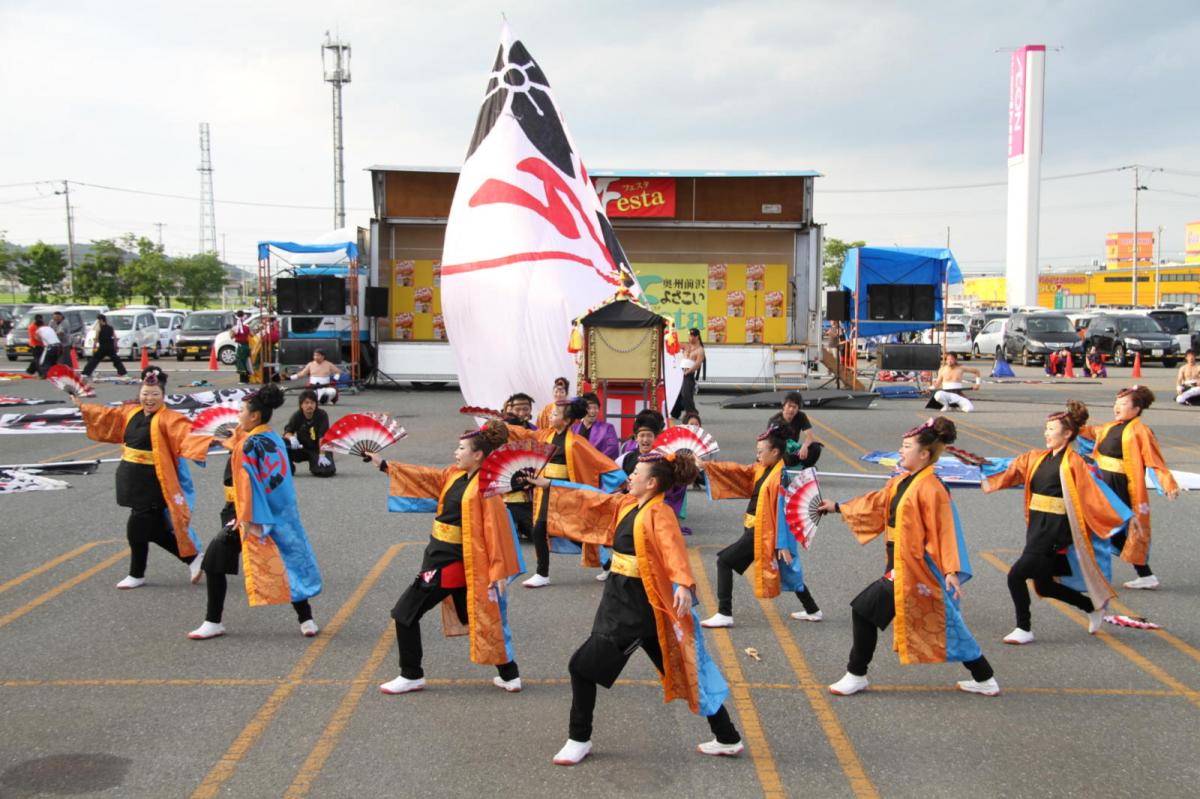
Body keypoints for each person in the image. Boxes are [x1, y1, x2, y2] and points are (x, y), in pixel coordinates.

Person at [524, 452, 743, 764]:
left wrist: (683, 583)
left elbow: (673, 549)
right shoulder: (629, 504)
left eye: (637, 472)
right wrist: (551, 485)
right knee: (686, 668)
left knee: (581, 667)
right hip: (625, 599)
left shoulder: (660, 513)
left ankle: (579, 738)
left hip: (635, 608)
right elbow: (592, 499)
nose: (630, 475)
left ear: (651, 483)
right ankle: (727, 736)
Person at [819, 417, 999, 697]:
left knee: (864, 610)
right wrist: (838, 507)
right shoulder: (903, 480)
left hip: (915, 568)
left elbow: (945, 530)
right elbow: (877, 504)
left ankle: (856, 673)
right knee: (948, 623)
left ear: (924, 454)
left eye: (906, 447)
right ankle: (984, 677)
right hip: (901, 563)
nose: (900, 451)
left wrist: (951, 569)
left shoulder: (932, 488)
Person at [367, 421, 523, 695]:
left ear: (478, 455)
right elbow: (427, 477)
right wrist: (384, 465)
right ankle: (510, 675)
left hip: (450, 562)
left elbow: (497, 533)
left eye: (461, 448)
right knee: (476, 617)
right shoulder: (454, 475)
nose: (456, 452)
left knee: (404, 613)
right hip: (442, 555)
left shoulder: (486, 489)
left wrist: (498, 571)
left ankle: (411, 674)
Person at [981, 401, 1133, 644]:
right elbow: (1010, 469)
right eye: (1047, 428)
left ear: (1068, 433)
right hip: (1037, 526)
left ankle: (1024, 628)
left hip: (1055, 530)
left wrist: (1122, 519)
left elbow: (1094, 495)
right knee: (1045, 586)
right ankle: (1092, 607)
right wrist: (980, 465)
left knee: (1016, 575)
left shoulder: (1075, 463)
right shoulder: (1036, 458)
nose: (1046, 433)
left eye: (1051, 429)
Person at [188, 384, 323, 640]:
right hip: (265, 510)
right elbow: (234, 439)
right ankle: (306, 618)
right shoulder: (268, 437)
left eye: (242, 410)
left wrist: (248, 519)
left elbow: (249, 485)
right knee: (286, 557)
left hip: (250, 513)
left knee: (215, 561)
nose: (238, 414)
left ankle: (213, 621)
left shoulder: (251, 444)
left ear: (255, 416)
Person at [72, 367, 209, 589]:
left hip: (154, 481)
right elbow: (107, 415)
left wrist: (215, 439)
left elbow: (188, 435)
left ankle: (152, 569)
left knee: (138, 528)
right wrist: (83, 406)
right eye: (145, 393)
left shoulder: (169, 418)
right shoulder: (130, 412)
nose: (149, 398)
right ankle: (187, 560)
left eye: (155, 394)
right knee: (152, 529)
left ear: (163, 396)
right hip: (132, 477)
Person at [699, 427, 822, 627]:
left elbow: (782, 513)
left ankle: (724, 612)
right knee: (788, 570)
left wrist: (782, 543)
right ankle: (813, 609)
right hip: (757, 528)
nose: (757, 455)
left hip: (763, 530)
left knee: (724, 561)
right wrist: (706, 465)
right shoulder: (763, 468)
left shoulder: (779, 477)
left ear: (774, 452)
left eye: (760, 451)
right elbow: (739, 470)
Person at [507, 397, 626, 587]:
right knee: (541, 529)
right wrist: (505, 428)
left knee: (575, 532)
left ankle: (607, 564)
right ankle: (543, 573)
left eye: (554, 414)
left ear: (566, 420)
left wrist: (620, 477)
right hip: (546, 491)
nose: (550, 416)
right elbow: (526, 434)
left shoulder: (576, 442)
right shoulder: (546, 435)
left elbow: (599, 461)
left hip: (567, 492)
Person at [1079, 386, 1179, 590]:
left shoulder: (1141, 431)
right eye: (1116, 403)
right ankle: (1145, 574)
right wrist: (1072, 422)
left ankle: (1088, 573)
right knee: (1110, 531)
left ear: (1136, 409)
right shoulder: (1110, 426)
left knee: (1102, 527)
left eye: (1123, 403)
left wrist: (1168, 483)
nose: (1117, 407)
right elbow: (1089, 432)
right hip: (1104, 483)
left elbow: (1155, 460)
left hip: (1120, 486)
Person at [501, 392, 537, 542]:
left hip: (530, 486)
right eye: (518, 409)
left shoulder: (535, 431)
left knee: (536, 534)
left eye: (525, 409)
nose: (522, 413)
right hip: (506, 485)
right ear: (509, 409)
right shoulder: (502, 430)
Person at [282, 389, 335, 477]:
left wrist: (322, 455)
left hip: (317, 449)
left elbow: (323, 437)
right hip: (302, 448)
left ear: (316, 404)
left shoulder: (322, 415)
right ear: (301, 405)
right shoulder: (297, 415)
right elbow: (287, 432)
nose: (309, 405)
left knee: (326, 471)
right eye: (306, 403)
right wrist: (292, 438)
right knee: (283, 442)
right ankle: (289, 466)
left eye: (312, 403)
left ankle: (315, 464)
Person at [767, 391, 824, 468]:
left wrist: (804, 446)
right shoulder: (774, 420)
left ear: (798, 409)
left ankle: (806, 467)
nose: (791, 409)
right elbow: (770, 443)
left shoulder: (801, 416)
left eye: (794, 407)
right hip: (781, 451)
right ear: (784, 406)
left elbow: (809, 436)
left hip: (794, 449)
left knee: (816, 448)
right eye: (789, 406)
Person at [670, 328, 705, 420]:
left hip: (688, 373)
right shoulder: (686, 346)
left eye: (692, 336)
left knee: (686, 394)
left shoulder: (700, 350)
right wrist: (672, 335)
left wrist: (688, 372)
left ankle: (692, 413)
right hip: (680, 372)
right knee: (677, 393)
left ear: (697, 337)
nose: (690, 338)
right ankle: (675, 413)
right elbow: (675, 345)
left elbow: (697, 364)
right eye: (689, 335)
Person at [573, 392, 619, 460]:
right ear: (582, 410)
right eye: (588, 408)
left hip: (598, 464)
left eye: (595, 408)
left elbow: (613, 448)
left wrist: (596, 459)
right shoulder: (573, 429)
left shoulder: (607, 428)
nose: (592, 411)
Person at [81, 314, 129, 378]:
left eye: (99, 321)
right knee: (116, 360)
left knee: (94, 360)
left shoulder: (99, 328)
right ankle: (123, 373)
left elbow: (96, 338)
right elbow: (115, 337)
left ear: (101, 320)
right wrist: (116, 346)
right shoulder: (110, 328)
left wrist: (94, 346)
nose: (98, 322)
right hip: (110, 347)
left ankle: (86, 373)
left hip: (102, 347)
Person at [232, 311, 252, 383]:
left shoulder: (235, 328)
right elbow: (252, 335)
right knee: (246, 362)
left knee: (240, 362)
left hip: (240, 347)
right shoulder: (247, 327)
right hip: (246, 346)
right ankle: (247, 379)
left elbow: (231, 336)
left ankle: (243, 380)